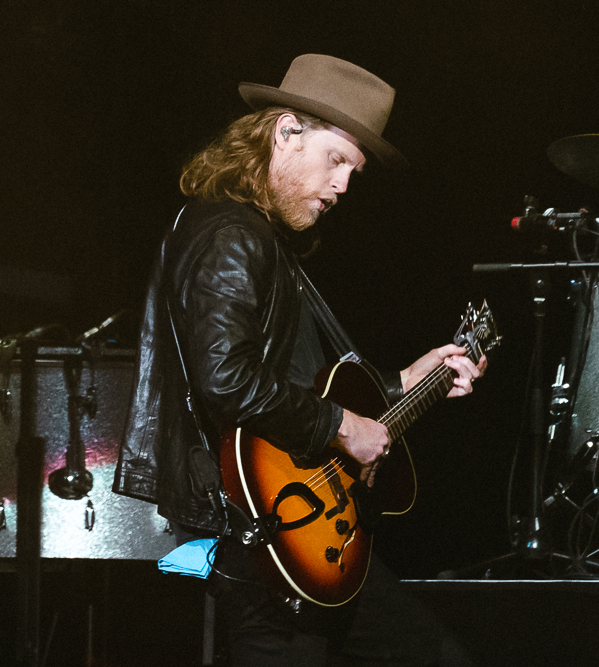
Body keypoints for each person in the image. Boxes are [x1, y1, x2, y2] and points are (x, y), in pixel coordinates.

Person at [114, 54, 485, 665]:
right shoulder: (232, 234)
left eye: (353, 172)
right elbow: (226, 379)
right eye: (335, 160)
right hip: (267, 530)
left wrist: (404, 382)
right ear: (286, 132)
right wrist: (342, 426)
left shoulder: (254, 235)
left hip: (295, 527)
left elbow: (292, 380)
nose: (342, 187)